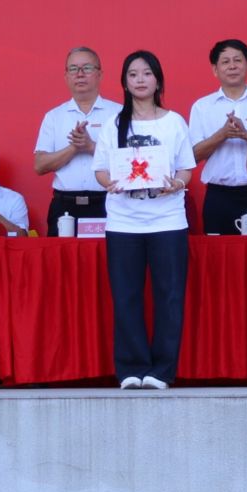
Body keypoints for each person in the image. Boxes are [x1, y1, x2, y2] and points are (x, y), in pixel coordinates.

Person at [95, 51, 197, 390]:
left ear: (158, 80)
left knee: (170, 297)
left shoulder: (174, 122)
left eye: (147, 73)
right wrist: (110, 182)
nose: (140, 80)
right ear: (124, 82)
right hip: (124, 223)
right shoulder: (113, 123)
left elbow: (186, 168)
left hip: (167, 221)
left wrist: (177, 184)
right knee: (126, 296)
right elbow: (100, 170)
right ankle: (131, 368)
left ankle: (162, 371)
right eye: (133, 74)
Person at [188, 39, 247, 236]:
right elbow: (192, 156)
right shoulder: (202, 106)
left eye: (238, 60)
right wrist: (222, 134)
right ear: (215, 70)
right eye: (225, 62)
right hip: (219, 196)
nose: (232, 66)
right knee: (218, 252)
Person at [33, 47, 120, 238]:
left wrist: (91, 147)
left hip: (110, 202)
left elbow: (129, 164)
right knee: (62, 257)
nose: (80, 74)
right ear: (66, 76)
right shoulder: (54, 117)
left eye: (87, 68)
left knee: (109, 256)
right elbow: (40, 166)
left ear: (100, 74)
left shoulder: (118, 114)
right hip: (65, 206)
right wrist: (73, 148)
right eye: (73, 69)